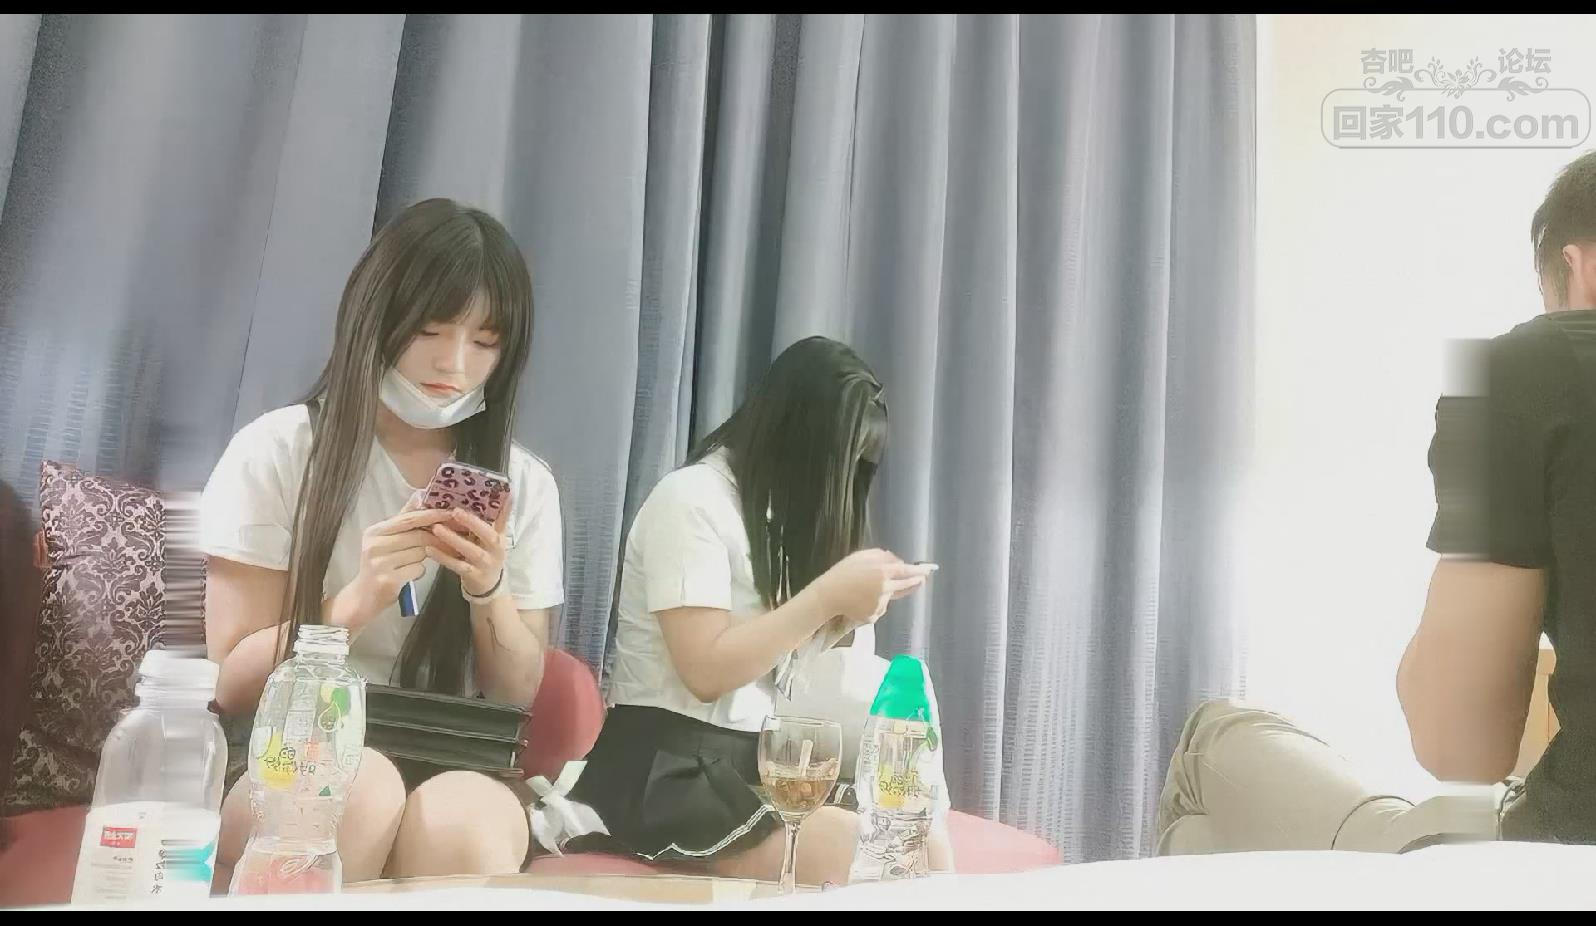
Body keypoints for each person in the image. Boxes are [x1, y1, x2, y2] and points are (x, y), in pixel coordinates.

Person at [1160, 150, 1596, 852]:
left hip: (1561, 858)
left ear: (1580, 268)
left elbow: (1459, 746)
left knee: (1212, 743)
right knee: (1208, 841)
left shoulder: (1538, 365)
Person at [201, 198, 564, 881]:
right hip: (286, 741)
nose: (454, 363)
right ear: (377, 318)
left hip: (452, 749)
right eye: (430, 330)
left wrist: (487, 589)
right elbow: (234, 683)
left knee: (466, 828)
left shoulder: (526, 484)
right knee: (357, 791)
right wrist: (359, 598)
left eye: (485, 343)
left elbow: (516, 691)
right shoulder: (279, 451)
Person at [566, 336, 950, 885]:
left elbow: (782, 671)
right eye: (837, 464)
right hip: (665, 769)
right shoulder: (691, 499)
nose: (839, 485)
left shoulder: (769, 518)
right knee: (884, 853)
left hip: (749, 763)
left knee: (921, 833)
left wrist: (847, 614)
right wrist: (827, 597)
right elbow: (705, 671)